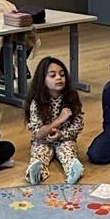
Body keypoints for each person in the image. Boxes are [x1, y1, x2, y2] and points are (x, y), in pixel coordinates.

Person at [24, 55, 84, 186]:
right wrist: (59, 120)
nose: (59, 78)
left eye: (62, 74)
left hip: (64, 139)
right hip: (42, 141)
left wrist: (62, 134)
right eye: (52, 75)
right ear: (43, 79)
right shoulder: (37, 102)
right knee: (40, 154)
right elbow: (38, 134)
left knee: (68, 153)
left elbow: (78, 124)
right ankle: (37, 172)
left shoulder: (71, 97)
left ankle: (74, 170)